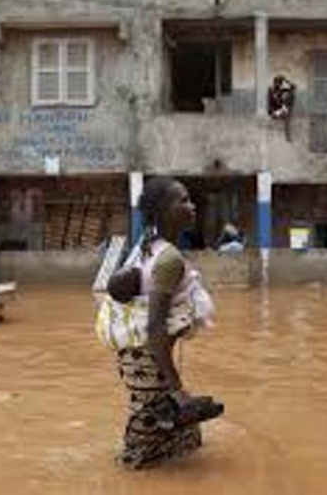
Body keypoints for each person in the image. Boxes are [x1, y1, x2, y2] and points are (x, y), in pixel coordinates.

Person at [104, 177, 223, 470]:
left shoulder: (148, 246)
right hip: (151, 361)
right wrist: (178, 390)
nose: (192, 206)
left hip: (140, 358)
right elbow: (156, 328)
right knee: (141, 452)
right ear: (162, 210)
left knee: (187, 438)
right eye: (182, 201)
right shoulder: (169, 259)